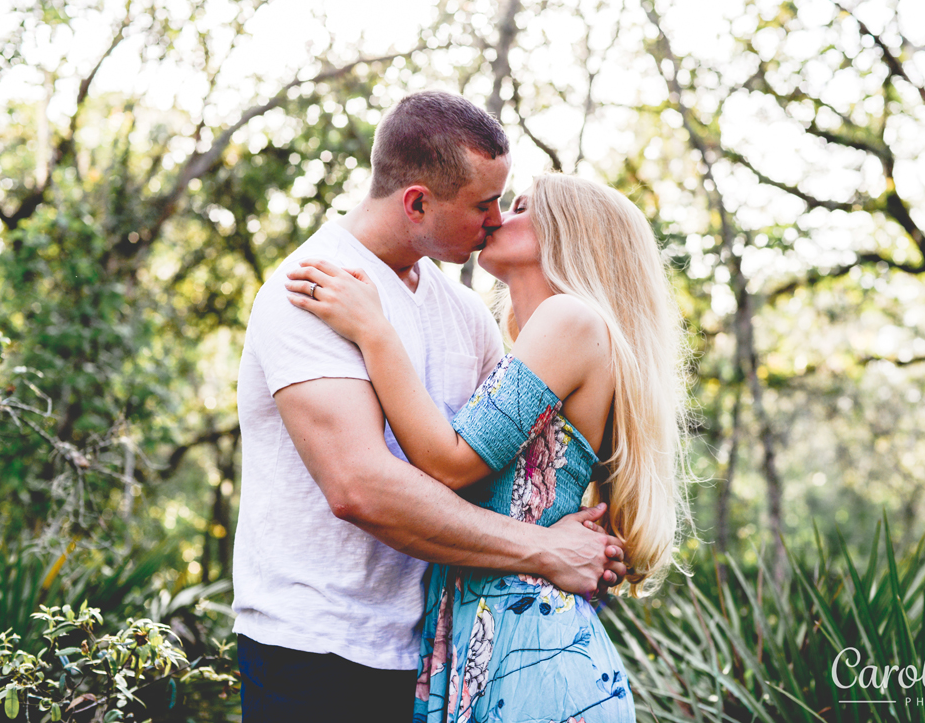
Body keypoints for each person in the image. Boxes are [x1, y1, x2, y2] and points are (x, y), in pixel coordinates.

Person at [232, 93, 627, 722]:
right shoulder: (314, 287)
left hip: (434, 661)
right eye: (482, 204)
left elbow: (490, 469)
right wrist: (542, 549)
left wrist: (570, 534)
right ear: (416, 201)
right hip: (317, 650)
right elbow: (359, 488)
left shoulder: (466, 314)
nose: (494, 220)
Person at [286, 173, 688, 723]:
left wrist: (372, 329)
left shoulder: (568, 320)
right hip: (489, 636)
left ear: (569, 232)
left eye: (521, 206)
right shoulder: (544, 340)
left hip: (531, 651)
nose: (498, 216)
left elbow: (449, 462)